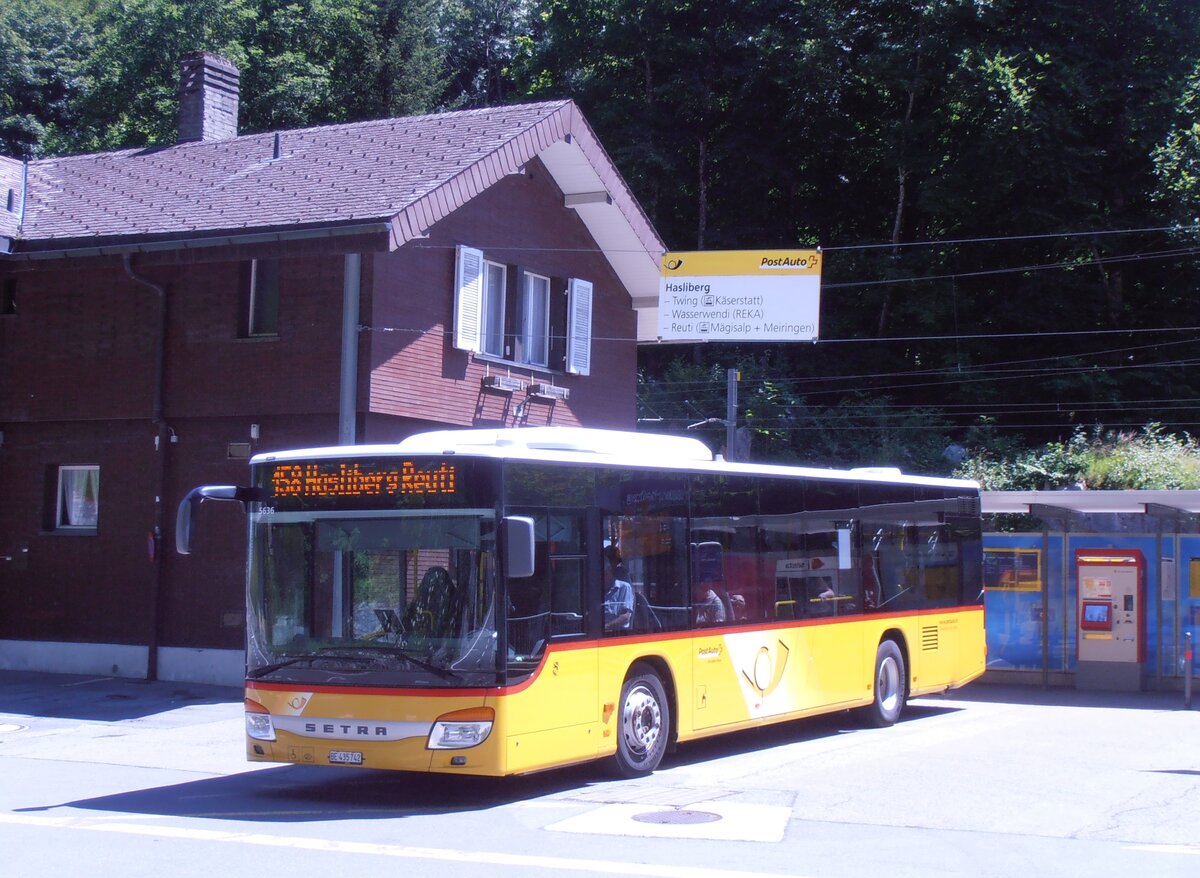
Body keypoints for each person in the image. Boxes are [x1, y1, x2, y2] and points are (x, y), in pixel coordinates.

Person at [602, 542, 634, 632]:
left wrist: (606, 626)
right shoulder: (595, 588)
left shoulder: (624, 586)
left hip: (617, 632)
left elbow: (625, 617)